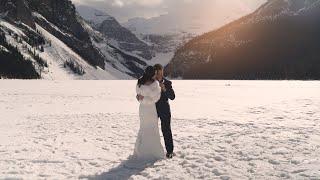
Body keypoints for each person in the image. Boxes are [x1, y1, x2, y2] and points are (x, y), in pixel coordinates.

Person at [137, 64, 175, 159]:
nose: (159, 75)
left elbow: (172, 97)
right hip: (151, 110)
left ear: (162, 72)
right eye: (157, 73)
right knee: (151, 129)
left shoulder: (167, 83)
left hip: (164, 110)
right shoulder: (149, 82)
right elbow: (143, 94)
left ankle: (169, 151)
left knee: (166, 130)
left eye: (161, 72)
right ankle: (151, 151)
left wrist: (164, 89)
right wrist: (139, 97)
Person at [131, 66, 165, 165]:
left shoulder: (142, 82)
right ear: (151, 74)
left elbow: (144, 97)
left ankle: (144, 151)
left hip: (145, 109)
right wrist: (143, 98)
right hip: (147, 109)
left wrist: (141, 98)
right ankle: (150, 152)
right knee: (147, 128)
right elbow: (151, 99)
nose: (155, 75)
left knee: (148, 128)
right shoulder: (154, 84)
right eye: (154, 73)